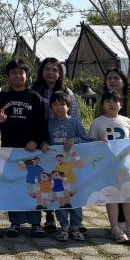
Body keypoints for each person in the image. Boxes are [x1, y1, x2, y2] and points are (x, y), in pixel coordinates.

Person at [0, 59, 49, 238]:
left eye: (21, 72)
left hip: (31, 149)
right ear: (8, 76)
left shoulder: (34, 97)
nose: (17, 76)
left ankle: (36, 223)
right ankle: (15, 222)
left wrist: (36, 141)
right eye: (13, 73)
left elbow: (42, 123)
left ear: (26, 75)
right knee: (13, 185)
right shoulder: (2, 96)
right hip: (10, 149)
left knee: (34, 185)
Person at [95, 67, 130, 236]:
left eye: (116, 78)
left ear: (124, 81)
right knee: (114, 186)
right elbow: (97, 126)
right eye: (109, 78)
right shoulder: (101, 101)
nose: (112, 81)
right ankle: (120, 222)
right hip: (110, 155)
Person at [31, 57, 83, 233]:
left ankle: (74, 219)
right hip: (42, 137)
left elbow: (75, 117)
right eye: (47, 69)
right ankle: (49, 216)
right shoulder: (34, 90)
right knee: (45, 179)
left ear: (60, 73)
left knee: (63, 182)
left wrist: (74, 139)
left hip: (64, 141)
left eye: (55, 70)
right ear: (42, 71)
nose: (51, 73)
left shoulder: (67, 92)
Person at [90, 90, 130, 244]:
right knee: (111, 196)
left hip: (126, 166)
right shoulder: (97, 122)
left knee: (129, 196)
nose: (112, 104)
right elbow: (91, 143)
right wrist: (99, 143)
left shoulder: (127, 121)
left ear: (121, 105)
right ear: (102, 105)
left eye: (115, 101)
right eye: (108, 101)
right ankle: (115, 228)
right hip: (107, 167)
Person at [46, 91, 88, 242]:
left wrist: (74, 140)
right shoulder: (49, 124)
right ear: (51, 107)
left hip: (73, 171)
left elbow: (86, 139)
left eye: (62, 104)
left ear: (69, 106)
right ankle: (63, 226)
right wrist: (44, 144)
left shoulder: (74, 122)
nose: (59, 107)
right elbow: (45, 142)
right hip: (57, 171)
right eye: (55, 104)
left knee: (74, 196)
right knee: (60, 197)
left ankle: (75, 226)